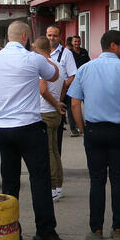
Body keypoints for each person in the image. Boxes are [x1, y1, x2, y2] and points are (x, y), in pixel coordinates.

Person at [0, 21, 67, 240]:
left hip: (4, 128)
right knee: (40, 179)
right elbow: (54, 75)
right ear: (26, 37)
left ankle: (11, 228)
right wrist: (42, 54)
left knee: (9, 180)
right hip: (29, 126)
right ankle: (45, 231)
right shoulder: (33, 58)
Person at [68, 30, 120, 240]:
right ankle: (118, 228)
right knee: (118, 179)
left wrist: (82, 128)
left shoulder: (85, 68)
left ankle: (96, 230)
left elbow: (74, 103)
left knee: (97, 180)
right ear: (113, 46)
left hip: (94, 130)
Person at [44, 24, 77, 196]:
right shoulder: (41, 54)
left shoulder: (66, 54)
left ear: (60, 37)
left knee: (55, 144)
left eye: (54, 36)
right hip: (42, 105)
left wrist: (60, 92)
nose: (51, 38)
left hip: (58, 100)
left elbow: (72, 75)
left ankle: (55, 177)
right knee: (47, 144)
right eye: (49, 35)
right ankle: (52, 175)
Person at [33, 37, 66, 201]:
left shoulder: (43, 65)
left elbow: (43, 90)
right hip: (54, 113)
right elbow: (64, 85)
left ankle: (52, 187)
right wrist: (59, 101)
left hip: (45, 111)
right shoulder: (58, 65)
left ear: (36, 49)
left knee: (48, 151)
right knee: (54, 149)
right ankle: (58, 185)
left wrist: (55, 103)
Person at [66, 35, 91, 136]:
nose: (77, 43)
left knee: (88, 102)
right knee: (72, 105)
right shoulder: (68, 53)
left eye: (78, 41)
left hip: (85, 81)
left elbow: (89, 64)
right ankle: (73, 128)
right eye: (75, 41)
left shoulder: (84, 52)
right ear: (72, 43)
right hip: (73, 81)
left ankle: (88, 124)